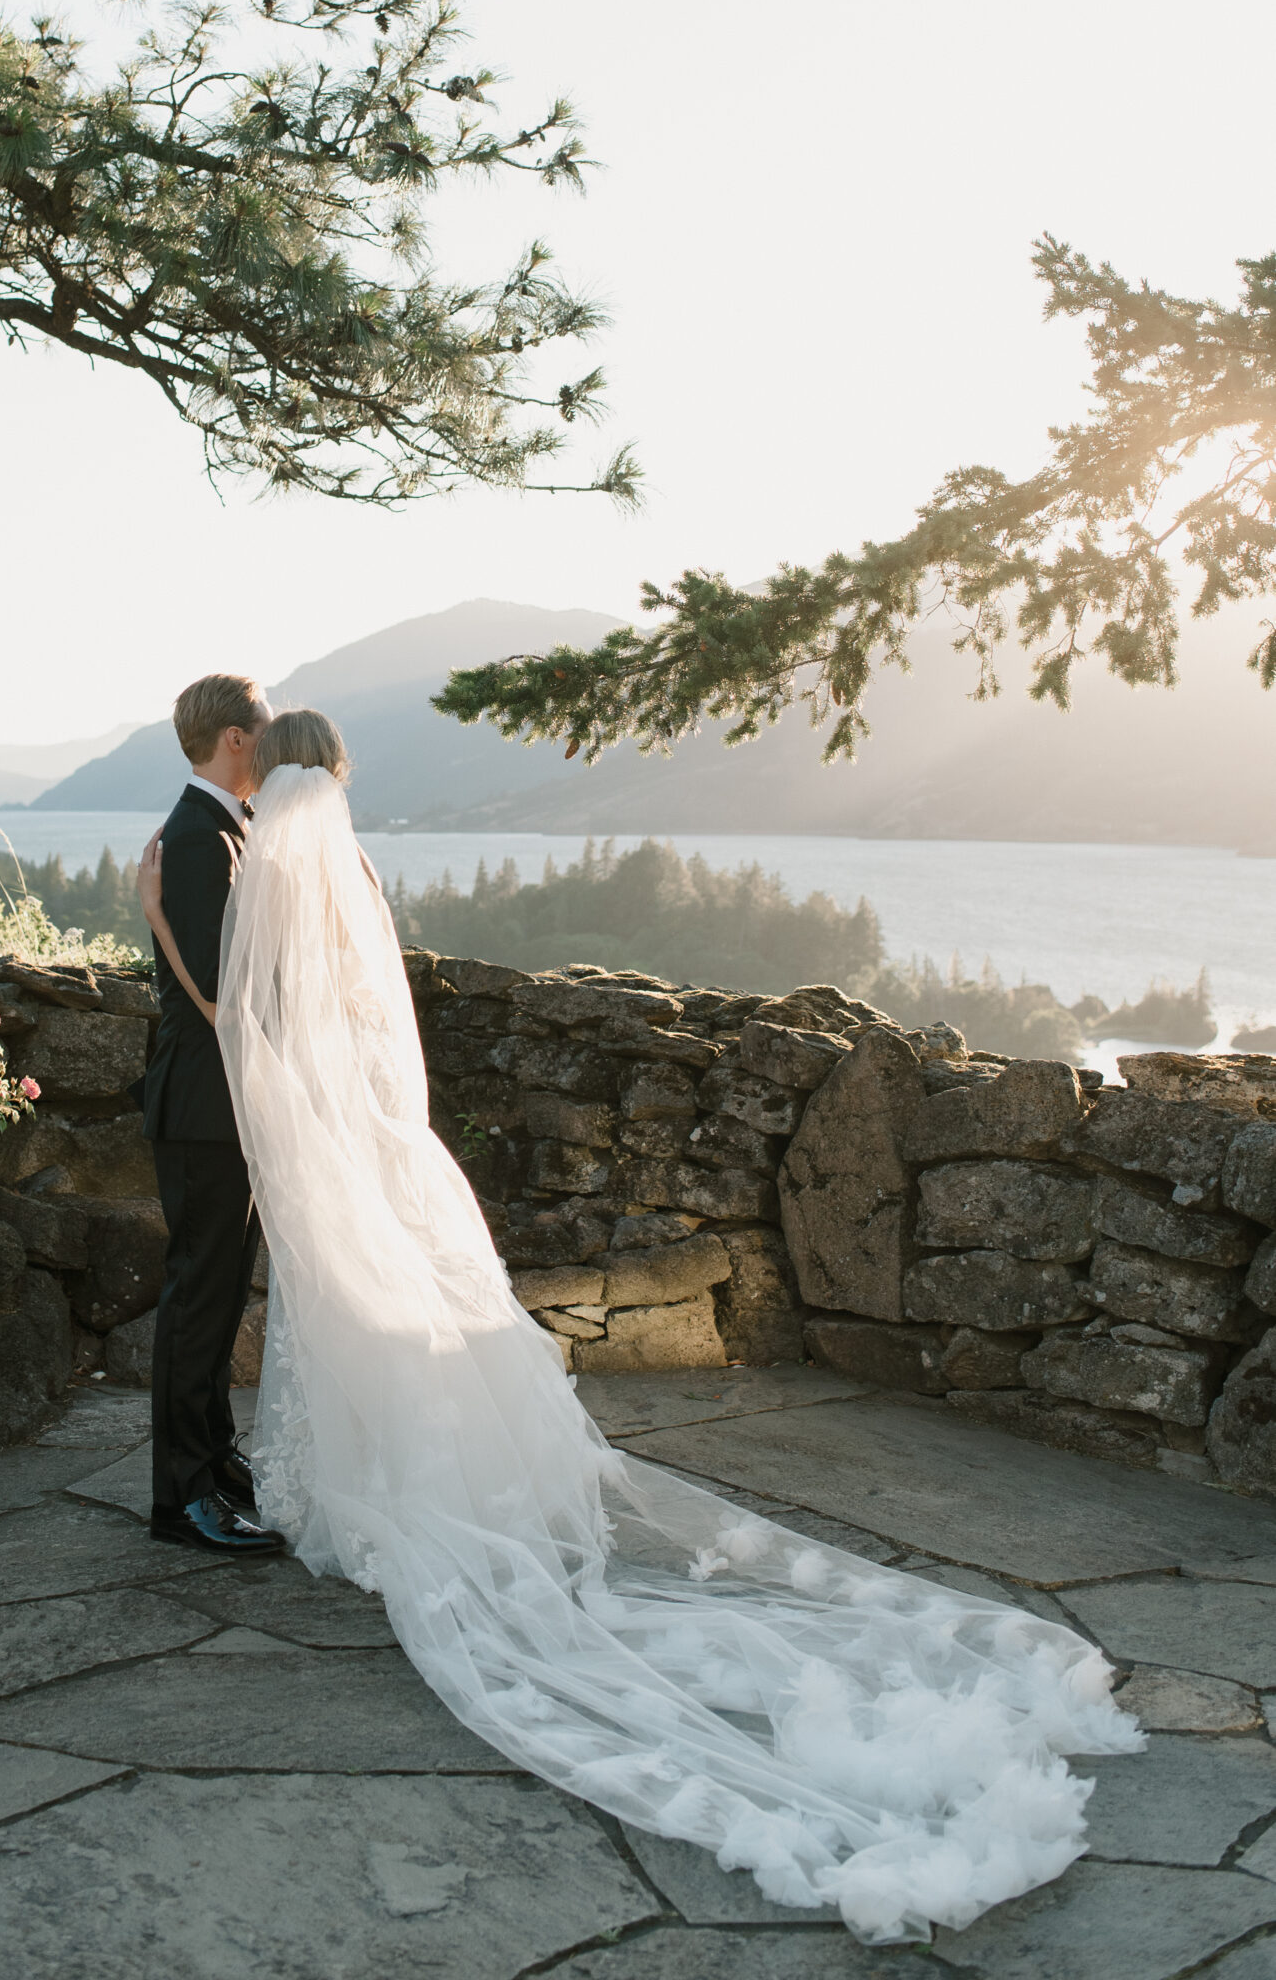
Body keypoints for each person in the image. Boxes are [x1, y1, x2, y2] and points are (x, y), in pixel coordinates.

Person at [139, 707, 1143, 1947]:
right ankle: (257, 1479)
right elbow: (294, 994)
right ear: (320, 772)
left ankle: (322, 1478)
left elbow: (243, 990)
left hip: (296, 1119)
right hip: (329, 1119)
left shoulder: (252, 852)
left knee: (337, 1302)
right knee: (352, 1295)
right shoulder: (306, 858)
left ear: (257, 757)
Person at [138, 673, 286, 1556]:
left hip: (230, 1104)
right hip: (203, 1109)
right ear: (234, 738)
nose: (269, 744)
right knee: (198, 1300)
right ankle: (180, 1498)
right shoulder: (198, 839)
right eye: (263, 728)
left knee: (223, 1295)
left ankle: (214, 1459)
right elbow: (218, 994)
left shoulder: (230, 830)